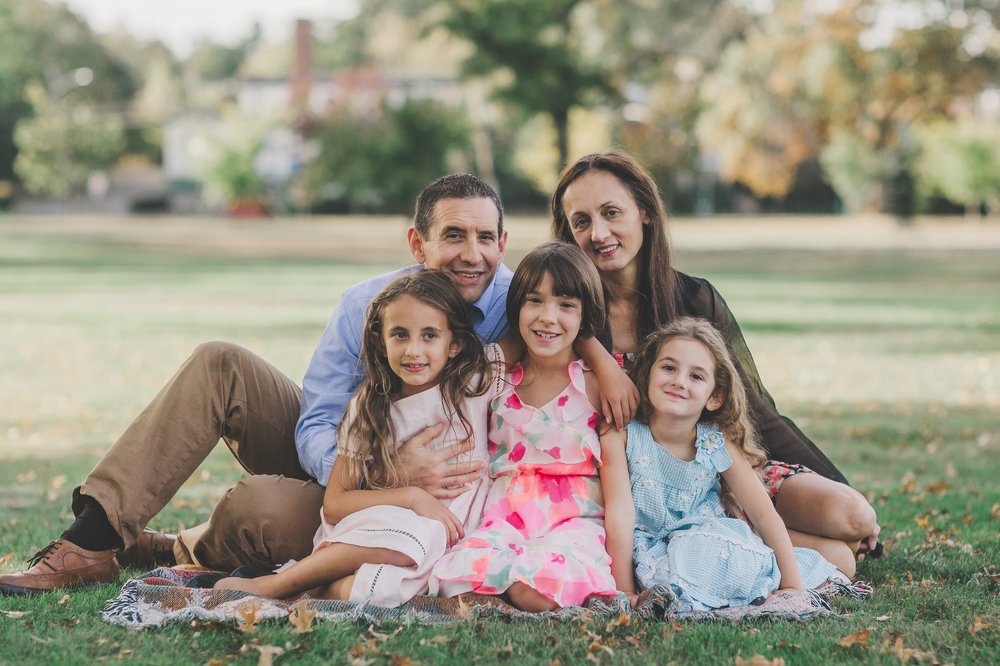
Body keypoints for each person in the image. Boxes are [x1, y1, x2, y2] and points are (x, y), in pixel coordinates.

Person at [0, 174, 513, 596]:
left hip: (454, 507)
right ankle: (90, 540)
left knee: (259, 508)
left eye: (484, 238)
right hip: (353, 477)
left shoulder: (527, 308)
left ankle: (173, 548)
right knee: (219, 362)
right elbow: (318, 420)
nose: (471, 255)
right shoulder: (367, 306)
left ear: (502, 243)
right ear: (417, 243)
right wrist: (378, 471)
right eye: (453, 235)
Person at [551, 151, 879, 576]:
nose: (599, 233)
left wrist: (834, 482)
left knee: (853, 515)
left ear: (646, 212)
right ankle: (742, 544)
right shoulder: (568, 313)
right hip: (635, 493)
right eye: (581, 221)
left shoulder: (693, 299)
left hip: (713, 467)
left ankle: (748, 534)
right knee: (841, 557)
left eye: (612, 213)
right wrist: (600, 357)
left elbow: (759, 411)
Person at [215, 270, 506, 607]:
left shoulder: (473, 384)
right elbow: (336, 504)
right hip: (380, 526)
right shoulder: (369, 411)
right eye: (400, 334)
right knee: (420, 534)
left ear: (454, 344)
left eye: (429, 335)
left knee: (384, 591)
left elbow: (545, 334)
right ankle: (279, 584)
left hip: (452, 534)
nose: (414, 350)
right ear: (380, 342)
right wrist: (411, 497)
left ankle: (318, 588)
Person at [430, 242, 623, 612]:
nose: (548, 317)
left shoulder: (596, 386)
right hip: (504, 519)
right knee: (457, 582)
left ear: (585, 318)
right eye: (534, 301)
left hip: (573, 523)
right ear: (516, 308)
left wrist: (625, 581)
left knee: (534, 588)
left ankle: (519, 591)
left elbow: (619, 492)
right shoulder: (499, 381)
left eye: (566, 305)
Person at [601, 318, 841, 611]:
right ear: (649, 372)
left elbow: (764, 514)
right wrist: (624, 590)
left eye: (696, 377)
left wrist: (792, 586)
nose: (679, 381)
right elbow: (619, 513)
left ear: (714, 397)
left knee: (706, 548)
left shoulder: (714, 442)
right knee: (674, 565)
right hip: (648, 550)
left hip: (708, 543)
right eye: (669, 368)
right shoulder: (623, 435)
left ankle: (754, 584)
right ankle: (677, 595)